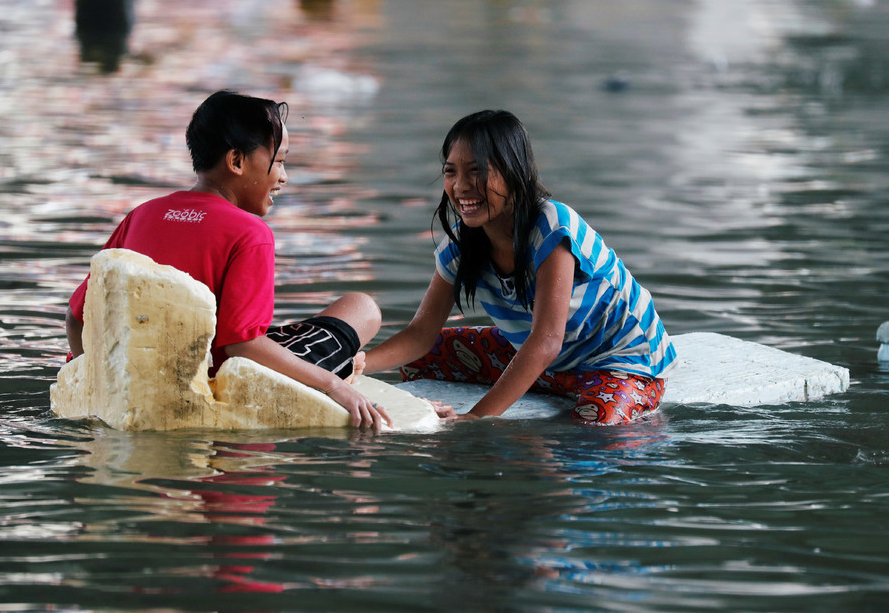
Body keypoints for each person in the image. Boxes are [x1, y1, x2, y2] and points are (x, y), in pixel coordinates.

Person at [65, 90, 390, 430]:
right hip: (219, 386)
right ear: (236, 161)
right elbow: (241, 345)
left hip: (133, 383)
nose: (284, 176)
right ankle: (342, 369)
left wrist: (98, 385)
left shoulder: (141, 215)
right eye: (278, 161)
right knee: (362, 307)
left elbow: (77, 318)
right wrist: (332, 385)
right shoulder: (250, 233)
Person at [363, 110, 677, 425]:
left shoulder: (552, 227)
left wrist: (474, 417)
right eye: (450, 171)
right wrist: (354, 364)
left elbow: (546, 341)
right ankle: (554, 386)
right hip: (551, 368)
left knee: (591, 427)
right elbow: (420, 334)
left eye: (476, 171)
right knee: (424, 360)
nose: (460, 186)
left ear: (515, 173)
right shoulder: (461, 243)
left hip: (620, 362)